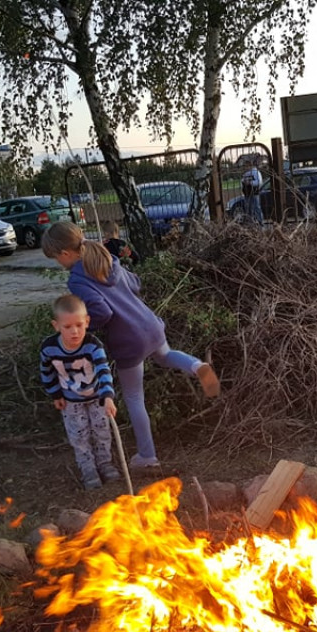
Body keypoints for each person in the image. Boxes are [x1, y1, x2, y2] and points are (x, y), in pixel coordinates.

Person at [41, 221, 220, 470]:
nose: (58, 263)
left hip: (129, 339)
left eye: (56, 259)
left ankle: (147, 455)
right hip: (150, 324)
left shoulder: (77, 280)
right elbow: (136, 282)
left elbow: (101, 311)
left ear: (65, 253)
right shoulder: (108, 260)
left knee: (135, 397)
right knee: (165, 356)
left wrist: (87, 329)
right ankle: (197, 365)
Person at [40, 294, 120, 489]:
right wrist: (56, 394)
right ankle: (88, 468)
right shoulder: (48, 348)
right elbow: (46, 372)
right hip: (71, 401)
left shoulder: (93, 345)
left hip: (97, 398)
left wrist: (108, 396)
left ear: (87, 322)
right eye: (67, 327)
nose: (74, 332)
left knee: (102, 431)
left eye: (79, 325)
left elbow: (103, 370)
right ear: (56, 325)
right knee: (79, 435)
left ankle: (104, 463)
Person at [241, 159, 264, 224]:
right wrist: (243, 183)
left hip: (255, 193)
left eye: (246, 166)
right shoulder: (245, 174)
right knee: (248, 209)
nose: (245, 167)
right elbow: (242, 182)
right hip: (247, 194)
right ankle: (250, 222)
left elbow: (259, 182)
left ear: (250, 165)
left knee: (257, 207)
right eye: (245, 166)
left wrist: (250, 183)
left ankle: (260, 221)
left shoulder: (256, 172)